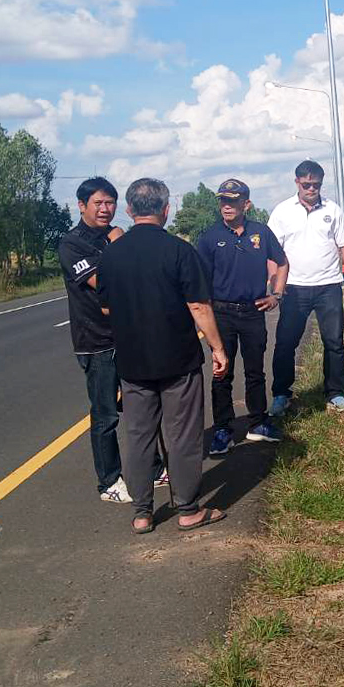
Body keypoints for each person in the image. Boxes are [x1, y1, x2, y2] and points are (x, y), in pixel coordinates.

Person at [99, 178, 229, 534]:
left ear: (129, 210)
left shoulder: (111, 255)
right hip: (178, 359)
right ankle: (187, 509)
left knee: (139, 436)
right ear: (166, 210)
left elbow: (106, 307)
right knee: (182, 435)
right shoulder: (179, 251)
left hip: (132, 362)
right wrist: (217, 348)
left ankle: (142, 513)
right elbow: (199, 306)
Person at [196, 179, 290, 452]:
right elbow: (200, 279)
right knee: (221, 372)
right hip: (221, 313)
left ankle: (258, 422)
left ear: (246, 204)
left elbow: (282, 262)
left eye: (233, 201)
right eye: (223, 201)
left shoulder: (260, 232)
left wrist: (276, 295)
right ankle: (222, 429)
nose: (226, 206)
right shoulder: (210, 237)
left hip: (252, 312)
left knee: (255, 371)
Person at [57, 177, 129, 503]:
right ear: (81, 205)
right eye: (98, 203)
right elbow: (103, 283)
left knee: (142, 406)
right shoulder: (72, 244)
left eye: (110, 203)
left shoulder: (114, 236)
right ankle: (109, 482)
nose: (105, 209)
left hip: (127, 335)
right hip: (96, 341)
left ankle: (155, 468)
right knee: (106, 415)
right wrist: (118, 246)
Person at [268, 159, 344, 417]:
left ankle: (335, 392)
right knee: (286, 343)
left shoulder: (332, 209)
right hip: (294, 288)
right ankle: (281, 394)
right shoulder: (283, 211)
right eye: (306, 184)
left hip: (328, 286)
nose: (311, 189)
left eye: (316, 185)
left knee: (334, 342)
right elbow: (272, 252)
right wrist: (275, 283)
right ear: (296, 182)